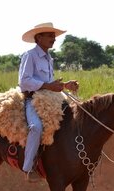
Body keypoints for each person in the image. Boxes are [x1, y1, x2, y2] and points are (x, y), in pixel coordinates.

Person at [18, 22, 79, 182]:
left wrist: (65, 85)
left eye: (54, 36)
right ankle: (28, 167)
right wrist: (48, 86)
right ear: (39, 37)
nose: (54, 39)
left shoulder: (49, 58)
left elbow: (50, 82)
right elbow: (24, 81)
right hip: (33, 99)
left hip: (50, 99)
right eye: (50, 35)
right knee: (36, 128)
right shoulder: (29, 56)